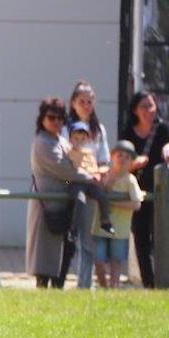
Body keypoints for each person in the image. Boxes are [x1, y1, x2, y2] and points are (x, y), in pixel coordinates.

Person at [27, 98, 113, 289]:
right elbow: (66, 170)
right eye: (51, 117)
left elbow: (76, 164)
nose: (56, 121)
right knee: (44, 262)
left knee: (65, 254)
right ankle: (42, 297)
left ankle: (57, 292)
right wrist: (91, 177)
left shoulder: (61, 140)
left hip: (64, 207)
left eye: (60, 118)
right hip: (47, 208)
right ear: (42, 119)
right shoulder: (43, 142)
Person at [119, 90, 169, 288]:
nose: (149, 110)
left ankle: (165, 280)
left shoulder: (163, 128)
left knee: (162, 237)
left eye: (151, 105)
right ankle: (149, 284)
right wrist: (133, 165)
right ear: (135, 110)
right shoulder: (128, 132)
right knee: (141, 238)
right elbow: (119, 162)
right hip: (137, 193)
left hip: (161, 194)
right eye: (144, 106)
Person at [92, 140, 143, 289]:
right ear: (112, 156)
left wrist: (113, 203)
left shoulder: (131, 180)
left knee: (116, 261)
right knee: (99, 260)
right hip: (100, 227)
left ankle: (114, 288)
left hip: (120, 229)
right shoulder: (104, 175)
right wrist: (108, 182)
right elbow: (97, 192)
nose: (122, 159)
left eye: (127, 157)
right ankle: (104, 287)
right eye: (119, 155)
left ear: (132, 162)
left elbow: (136, 204)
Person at [65, 121, 103, 290]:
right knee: (80, 242)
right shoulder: (67, 153)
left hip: (90, 197)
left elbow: (95, 172)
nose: (79, 140)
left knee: (87, 242)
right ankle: (84, 283)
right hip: (75, 198)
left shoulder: (89, 154)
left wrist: (96, 177)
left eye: (82, 137)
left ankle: (85, 283)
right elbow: (68, 175)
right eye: (76, 137)